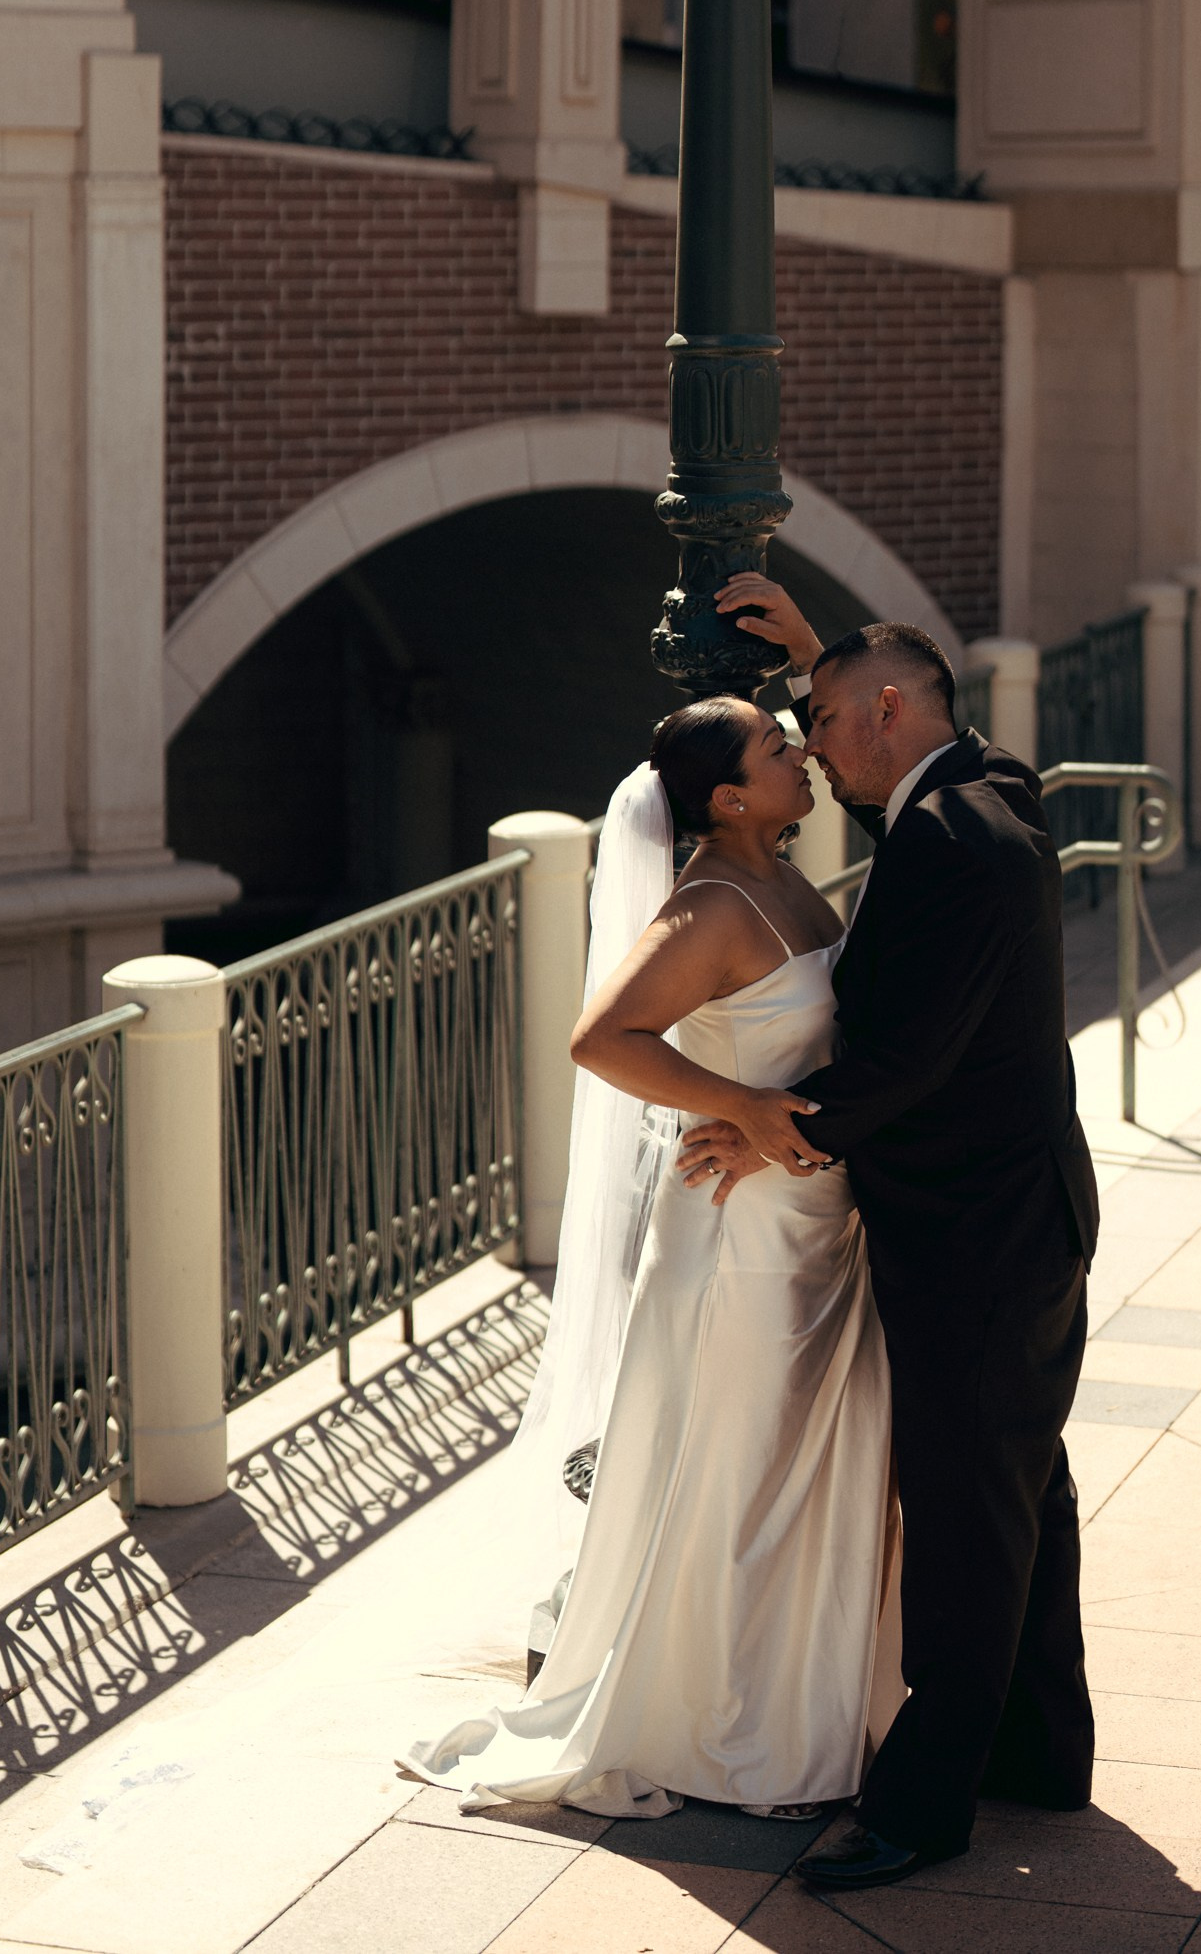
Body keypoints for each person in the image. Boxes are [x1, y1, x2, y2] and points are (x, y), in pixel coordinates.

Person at [397, 695, 897, 1820]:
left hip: (809, 1224)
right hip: (737, 1241)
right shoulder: (713, 905)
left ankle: (793, 1710)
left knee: (792, 1471)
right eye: (779, 749)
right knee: (738, 1472)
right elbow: (601, 1038)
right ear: (727, 798)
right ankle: (722, 1726)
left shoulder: (782, 875)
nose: (802, 754)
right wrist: (747, 1109)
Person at [684, 582, 1099, 1897]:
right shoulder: (990, 789)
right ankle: (1040, 1745)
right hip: (1022, 1216)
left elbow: (908, 1057)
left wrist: (767, 1125)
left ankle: (922, 1803)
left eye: (819, 715)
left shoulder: (953, 842)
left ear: (882, 712)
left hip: (977, 1233)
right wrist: (825, 655)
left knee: (970, 1511)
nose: (809, 746)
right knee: (1022, 1483)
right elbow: (900, 788)